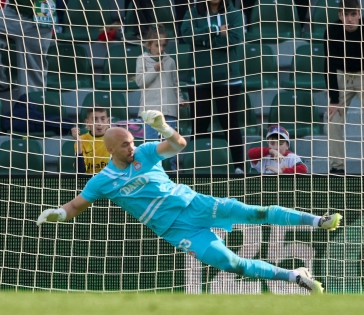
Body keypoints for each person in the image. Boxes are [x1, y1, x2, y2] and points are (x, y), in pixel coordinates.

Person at [36, 113, 340, 291]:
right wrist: (58, 214)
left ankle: (317, 220)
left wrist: (164, 127)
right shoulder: (103, 180)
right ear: (111, 149)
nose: (132, 147)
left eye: (132, 141)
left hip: (193, 203)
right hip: (176, 229)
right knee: (230, 263)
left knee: (253, 212)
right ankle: (296, 276)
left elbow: (179, 144)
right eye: (126, 144)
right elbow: (77, 205)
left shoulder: (144, 153)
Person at [179, 0, 247, 168]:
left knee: (230, 125)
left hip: (228, 78)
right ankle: (195, 166)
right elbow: (187, 35)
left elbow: (234, 39)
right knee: (199, 125)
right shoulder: (193, 12)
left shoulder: (234, 14)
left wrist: (204, 40)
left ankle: (238, 167)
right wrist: (216, 31)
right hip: (199, 78)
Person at [324, 0, 364, 174]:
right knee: (332, 120)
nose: (349, 18)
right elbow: (329, 65)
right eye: (345, 14)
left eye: (353, 14)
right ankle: (337, 167)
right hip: (341, 75)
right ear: (340, 15)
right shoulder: (331, 31)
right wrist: (333, 99)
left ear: (359, 14)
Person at [135, 25, 180, 142]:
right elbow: (140, 82)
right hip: (150, 111)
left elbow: (175, 84)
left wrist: (180, 99)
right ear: (148, 45)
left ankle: (171, 161)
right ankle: (152, 162)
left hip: (169, 110)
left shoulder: (170, 61)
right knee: (151, 144)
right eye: (157, 45)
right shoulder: (141, 59)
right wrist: (154, 69)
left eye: (164, 45)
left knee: (170, 144)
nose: (161, 49)